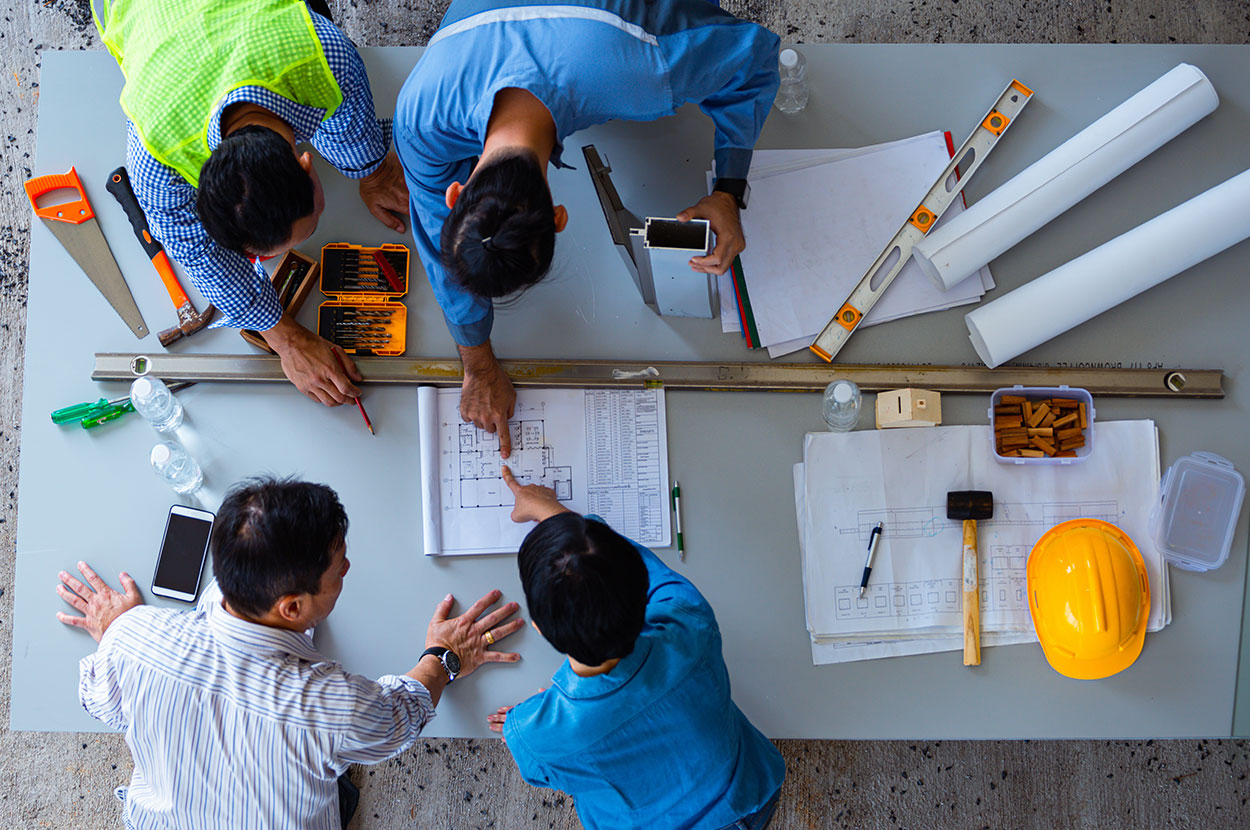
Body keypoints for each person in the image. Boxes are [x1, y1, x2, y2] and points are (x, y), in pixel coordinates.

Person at [394, 0, 780, 457]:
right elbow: (443, 244)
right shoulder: (419, 116)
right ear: (455, 194)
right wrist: (476, 363)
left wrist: (729, 189)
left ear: (559, 217)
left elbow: (755, 57)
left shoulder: (645, 73)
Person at [55, 477, 523, 829]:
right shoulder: (339, 709)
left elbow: (102, 703)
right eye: (338, 566)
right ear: (293, 606)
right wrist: (444, 657)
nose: (347, 565)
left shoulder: (131, 637)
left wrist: (123, 628)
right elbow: (401, 716)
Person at [90, 0, 409, 406]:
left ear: (308, 166)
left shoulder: (323, 57)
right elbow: (202, 257)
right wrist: (285, 338)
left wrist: (374, 172)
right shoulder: (157, 167)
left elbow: (349, 118)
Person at [487, 467, 786, 830]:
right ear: (642, 589)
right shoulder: (690, 623)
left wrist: (538, 717)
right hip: (749, 798)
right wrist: (554, 512)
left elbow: (552, 770)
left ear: (538, 628)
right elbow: (628, 563)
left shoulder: (535, 734)